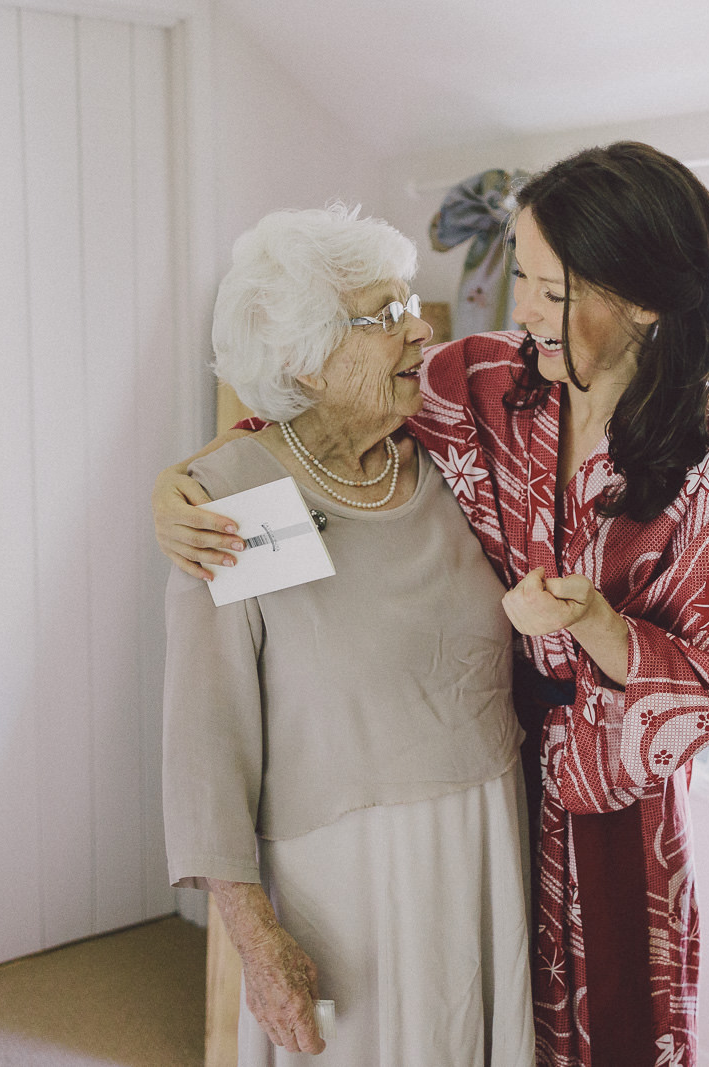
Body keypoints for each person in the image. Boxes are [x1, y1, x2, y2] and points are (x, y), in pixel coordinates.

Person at [156, 143, 709, 1067]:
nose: (519, 310)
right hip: (474, 799)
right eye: (518, 277)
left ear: (640, 298)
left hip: (610, 819)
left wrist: (597, 625)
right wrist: (188, 484)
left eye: (547, 287)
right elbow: (323, 408)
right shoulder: (488, 384)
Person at [162, 204, 536, 1066]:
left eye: (412, 305)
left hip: (482, 837)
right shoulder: (243, 500)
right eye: (388, 315)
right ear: (305, 355)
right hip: (347, 870)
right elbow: (204, 743)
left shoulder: (452, 452)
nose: (422, 332)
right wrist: (256, 939)